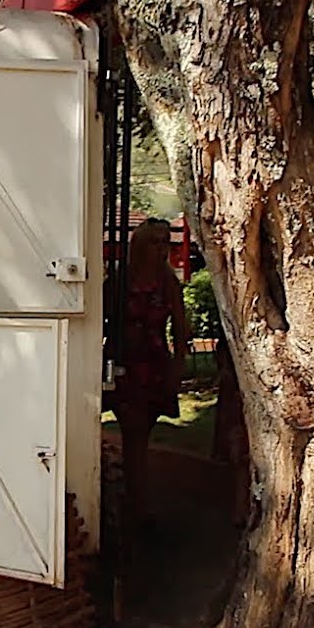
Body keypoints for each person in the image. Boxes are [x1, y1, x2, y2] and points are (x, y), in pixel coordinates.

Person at [108, 218, 189, 533]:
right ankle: (134, 501)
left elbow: (181, 327)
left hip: (154, 364)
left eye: (164, 242)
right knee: (132, 432)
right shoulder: (120, 280)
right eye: (154, 242)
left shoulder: (167, 282)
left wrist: (178, 367)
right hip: (124, 362)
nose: (161, 249)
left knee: (139, 435)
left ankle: (136, 500)